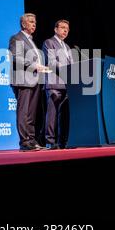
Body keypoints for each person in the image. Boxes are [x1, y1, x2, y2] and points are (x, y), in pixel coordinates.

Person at [9, 13, 49, 151]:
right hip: (23, 80)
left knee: (31, 113)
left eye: (35, 22)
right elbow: (15, 58)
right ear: (23, 24)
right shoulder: (17, 38)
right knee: (24, 112)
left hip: (34, 80)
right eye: (31, 22)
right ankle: (24, 142)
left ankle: (31, 141)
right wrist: (35, 65)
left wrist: (41, 67)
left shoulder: (31, 40)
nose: (34, 24)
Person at [42, 19, 73, 150]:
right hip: (54, 83)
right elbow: (52, 62)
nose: (65, 30)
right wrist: (68, 70)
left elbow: (72, 65)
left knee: (64, 115)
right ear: (55, 29)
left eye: (67, 28)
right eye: (62, 27)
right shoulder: (49, 42)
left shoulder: (67, 47)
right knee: (52, 114)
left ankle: (63, 141)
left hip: (66, 85)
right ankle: (50, 141)